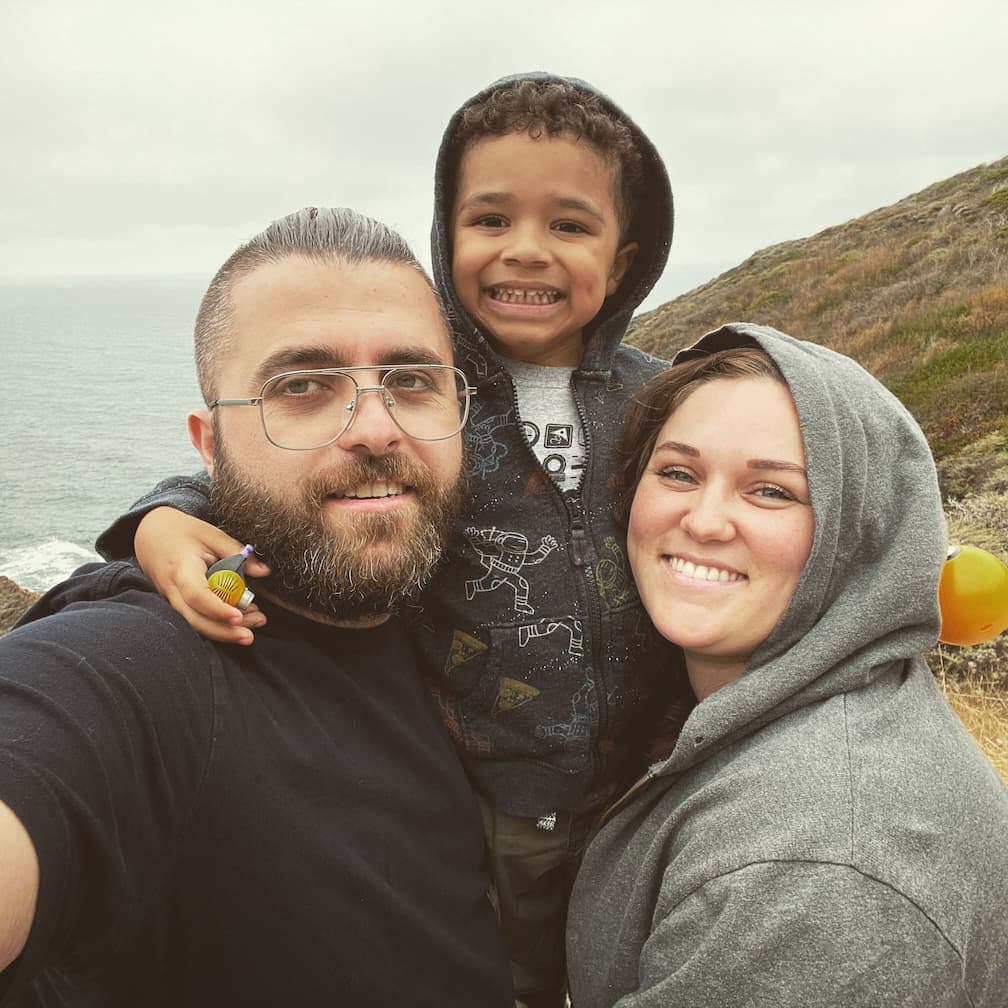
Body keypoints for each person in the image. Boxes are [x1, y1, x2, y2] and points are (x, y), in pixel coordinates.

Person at [93, 73, 682, 1007]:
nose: (524, 250)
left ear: (626, 256)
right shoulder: (417, 386)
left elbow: (745, 487)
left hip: (651, 781)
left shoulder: (660, 397)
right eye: (490, 219)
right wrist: (159, 523)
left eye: (569, 225)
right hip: (484, 794)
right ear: (448, 236)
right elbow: (267, 475)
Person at [0, 207, 514, 1006]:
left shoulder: (462, 604)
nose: (376, 429)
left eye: (412, 381)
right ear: (209, 446)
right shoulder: (157, 657)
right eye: (302, 386)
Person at [565, 323, 1008, 1007]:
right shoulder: (817, 705)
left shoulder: (817, 874)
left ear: (862, 532)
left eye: (771, 491)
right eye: (678, 472)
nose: (706, 520)